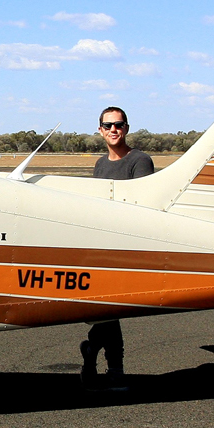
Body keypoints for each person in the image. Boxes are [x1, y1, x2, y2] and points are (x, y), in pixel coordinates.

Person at [82, 106, 153, 390]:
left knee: (111, 310)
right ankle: (109, 368)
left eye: (119, 124)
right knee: (109, 311)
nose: (114, 129)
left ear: (126, 128)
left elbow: (142, 208)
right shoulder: (100, 164)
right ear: (100, 130)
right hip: (102, 246)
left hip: (127, 246)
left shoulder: (140, 161)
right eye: (108, 125)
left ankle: (109, 366)